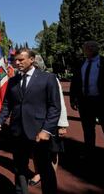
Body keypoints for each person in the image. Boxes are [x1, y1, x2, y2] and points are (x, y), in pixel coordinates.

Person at [0, 48, 61, 194]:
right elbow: (7, 105)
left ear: (31, 59)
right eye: (15, 60)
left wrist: (46, 130)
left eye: (21, 60)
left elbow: (54, 107)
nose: (17, 63)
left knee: (45, 168)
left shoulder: (48, 78)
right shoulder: (12, 81)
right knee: (19, 167)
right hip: (17, 132)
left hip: (39, 132)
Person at [29, 55, 69, 186]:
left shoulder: (50, 78)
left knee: (52, 151)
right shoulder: (28, 80)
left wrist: (62, 124)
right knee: (36, 150)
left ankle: (51, 174)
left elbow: (60, 103)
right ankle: (38, 173)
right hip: (35, 122)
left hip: (51, 122)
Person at [70, 40, 104, 157]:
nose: (90, 48)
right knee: (88, 130)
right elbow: (75, 82)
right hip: (85, 102)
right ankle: (90, 154)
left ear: (97, 48)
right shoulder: (80, 64)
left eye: (93, 46)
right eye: (87, 47)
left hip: (103, 101)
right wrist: (73, 98)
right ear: (84, 50)